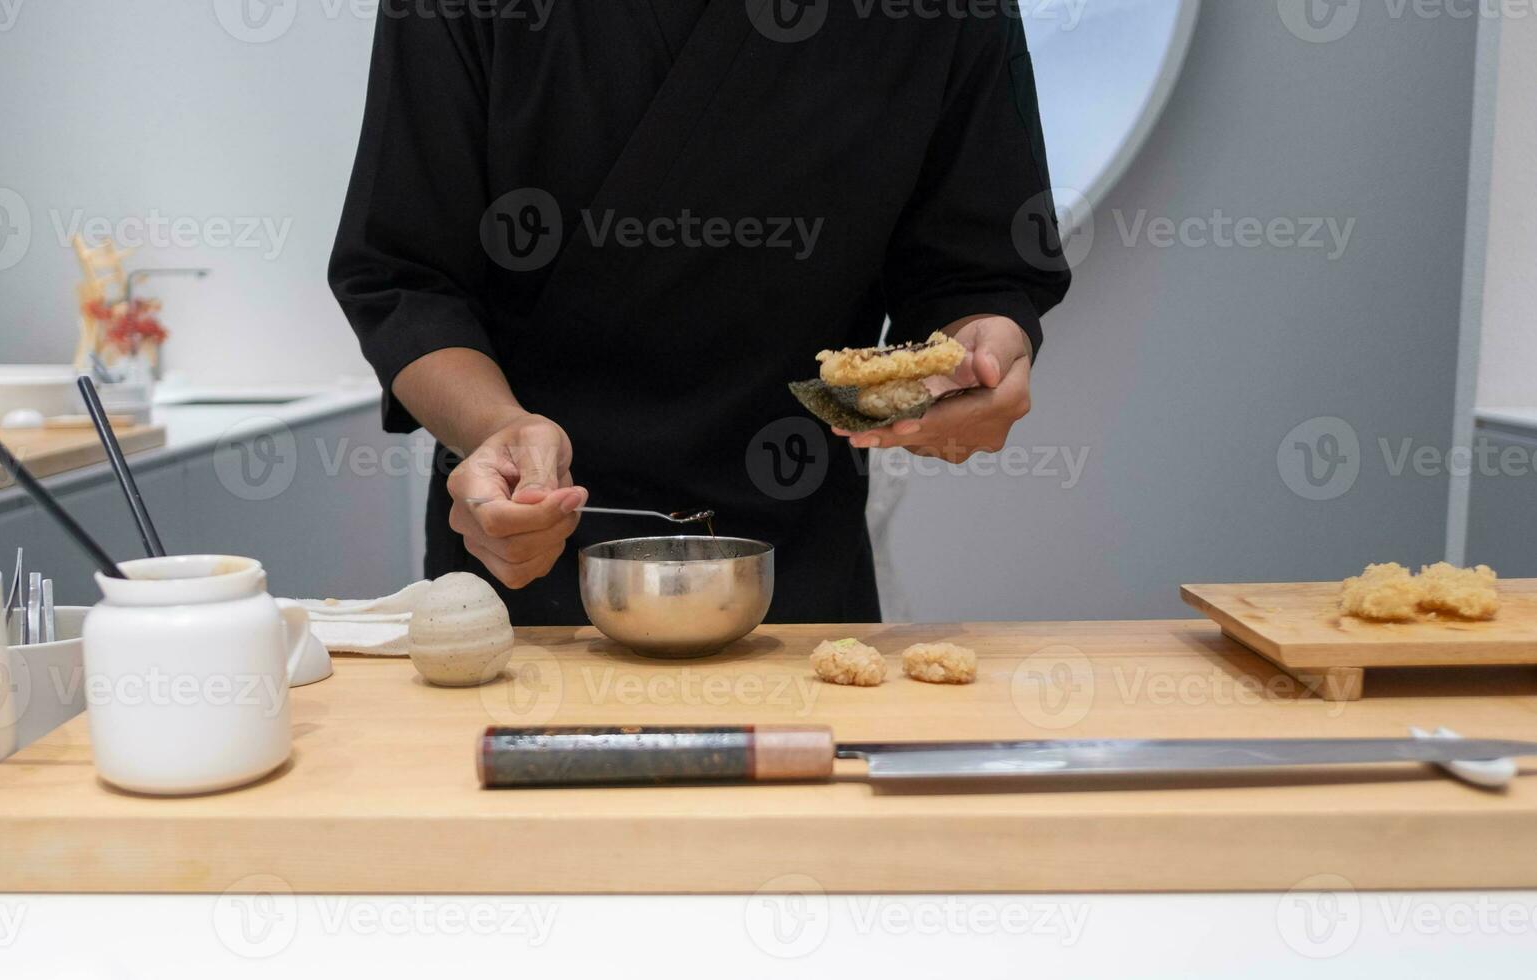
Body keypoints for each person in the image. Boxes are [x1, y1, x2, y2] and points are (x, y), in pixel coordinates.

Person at [329, 0, 1071, 625]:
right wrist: (498, 431)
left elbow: (975, 272)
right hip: (526, 528)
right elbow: (403, 278)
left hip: (793, 546)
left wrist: (980, 349)